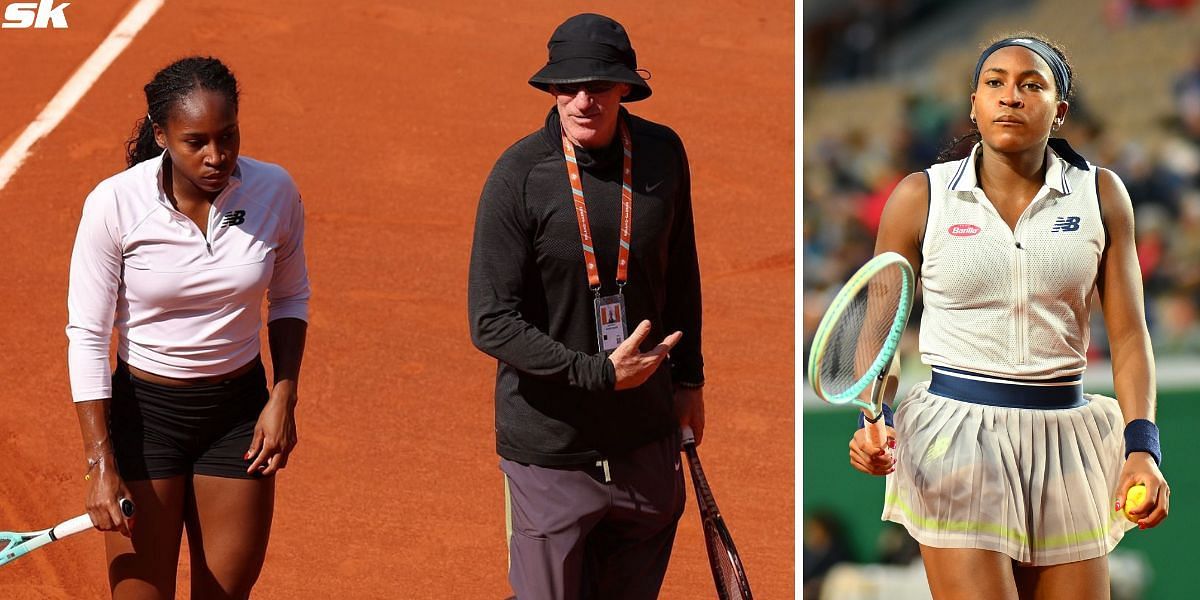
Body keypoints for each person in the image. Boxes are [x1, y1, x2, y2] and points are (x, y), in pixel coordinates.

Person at [847, 34, 1170, 599]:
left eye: (1030, 86)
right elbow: (880, 333)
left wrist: (1142, 445)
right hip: (955, 437)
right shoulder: (920, 196)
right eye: (994, 83)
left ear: (1059, 110)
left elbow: (1128, 334)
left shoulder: (1102, 195)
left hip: (1068, 438)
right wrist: (874, 417)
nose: (1010, 97)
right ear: (973, 104)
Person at [468, 13, 704, 600]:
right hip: (551, 451)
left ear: (625, 86)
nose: (581, 101)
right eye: (566, 87)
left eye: (597, 87)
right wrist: (596, 373)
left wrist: (690, 380)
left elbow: (681, 275)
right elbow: (490, 320)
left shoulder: (662, 154)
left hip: (645, 441)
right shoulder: (518, 175)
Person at [67, 56, 310, 599]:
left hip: (237, 422)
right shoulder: (114, 204)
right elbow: (87, 334)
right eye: (196, 141)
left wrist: (284, 395)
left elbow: (290, 295)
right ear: (162, 136)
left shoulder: (274, 191)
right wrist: (100, 464)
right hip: (144, 423)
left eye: (228, 137)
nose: (217, 156)